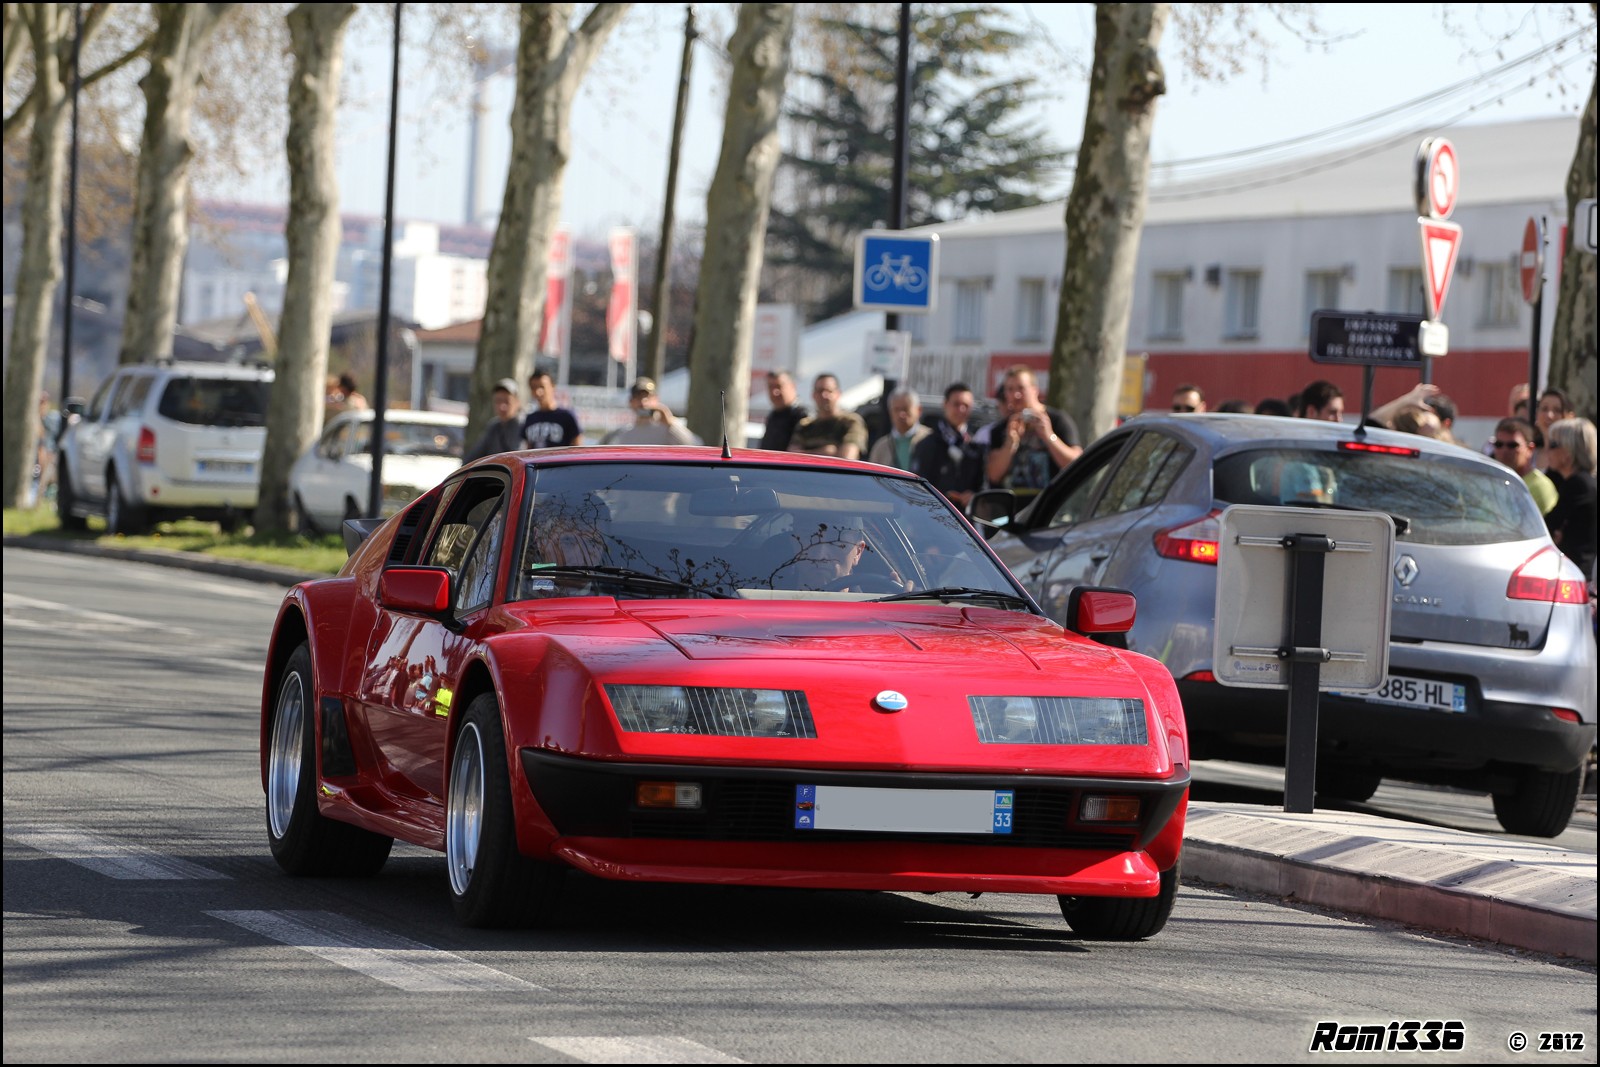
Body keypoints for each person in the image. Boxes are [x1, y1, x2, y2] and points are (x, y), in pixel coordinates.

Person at [982, 365, 1081, 496]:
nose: (1016, 395)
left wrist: (1049, 436)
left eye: (1021, 388)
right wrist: (1010, 444)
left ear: (1035, 390)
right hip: (1013, 511)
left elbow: (1076, 464)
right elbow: (993, 475)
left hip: (1051, 508)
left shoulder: (1057, 420)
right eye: (1010, 389)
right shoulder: (1001, 429)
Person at [912, 382, 984, 510]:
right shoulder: (928, 444)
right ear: (945, 404)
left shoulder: (976, 444)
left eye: (966, 405)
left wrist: (973, 496)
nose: (961, 410)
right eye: (956, 404)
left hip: (965, 520)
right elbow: (917, 488)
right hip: (933, 516)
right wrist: (943, 496)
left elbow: (982, 484)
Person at [1542, 416, 1596, 581]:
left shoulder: (1578, 484)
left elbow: (1548, 526)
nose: (1547, 450)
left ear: (1568, 451)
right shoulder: (1577, 482)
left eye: (1553, 444)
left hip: (1578, 575)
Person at [788, 373, 868, 459]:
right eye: (820, 391)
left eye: (829, 391)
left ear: (838, 394)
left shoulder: (851, 422)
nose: (824, 395)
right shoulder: (805, 426)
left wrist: (807, 454)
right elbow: (793, 457)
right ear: (813, 395)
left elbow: (847, 459)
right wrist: (826, 452)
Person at [1490, 417, 1557, 516]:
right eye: (1499, 444)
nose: (1504, 451)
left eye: (1512, 445)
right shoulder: (1489, 483)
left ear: (1530, 449)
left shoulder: (1540, 486)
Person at [602, 377, 699, 445]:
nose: (643, 402)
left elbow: (697, 446)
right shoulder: (623, 433)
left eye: (648, 397)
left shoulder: (671, 428)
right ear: (631, 402)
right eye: (638, 397)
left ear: (656, 399)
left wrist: (670, 423)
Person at [867, 386, 930, 470]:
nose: (901, 414)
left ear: (918, 410)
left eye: (905, 409)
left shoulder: (930, 440)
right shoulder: (881, 447)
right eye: (896, 409)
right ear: (890, 412)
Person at [464, 379, 527, 463]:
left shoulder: (525, 425)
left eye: (507, 401)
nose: (502, 407)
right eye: (498, 401)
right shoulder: (494, 427)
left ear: (517, 402)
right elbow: (474, 456)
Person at [523, 370, 583, 448]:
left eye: (542, 387)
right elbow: (528, 450)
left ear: (552, 387)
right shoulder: (530, 418)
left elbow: (578, 448)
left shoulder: (566, 416)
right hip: (536, 460)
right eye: (533, 388)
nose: (538, 392)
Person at [759, 370, 809, 452]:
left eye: (779, 386)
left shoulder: (801, 416)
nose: (774, 392)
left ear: (793, 386)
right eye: (770, 387)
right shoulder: (773, 415)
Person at [1533, 389, 1575, 473]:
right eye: (1544, 409)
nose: (1549, 416)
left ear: (1570, 417)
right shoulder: (1530, 453)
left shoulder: (1574, 457)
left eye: (1557, 410)